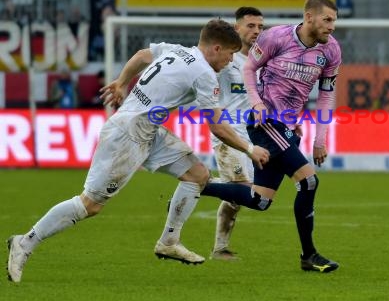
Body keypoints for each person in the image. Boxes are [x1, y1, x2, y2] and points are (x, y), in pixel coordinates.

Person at [6, 19, 270, 283]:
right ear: (215, 48)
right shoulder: (204, 74)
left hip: (150, 129)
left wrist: (122, 82)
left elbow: (142, 55)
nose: (230, 60)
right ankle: (25, 242)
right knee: (90, 205)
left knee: (197, 174)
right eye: (230, 54)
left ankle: (169, 241)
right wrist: (249, 148)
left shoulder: (176, 50)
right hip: (128, 134)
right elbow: (216, 125)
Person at [201, 0, 342, 273]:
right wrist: (257, 103)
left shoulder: (332, 51)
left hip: (288, 126)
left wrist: (320, 138)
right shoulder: (276, 37)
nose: (332, 26)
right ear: (309, 17)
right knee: (308, 181)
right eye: (327, 20)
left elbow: (327, 94)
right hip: (265, 122)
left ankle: (198, 185)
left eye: (334, 21)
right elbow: (249, 68)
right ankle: (309, 256)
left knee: (260, 200)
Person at [208, 7, 264, 261]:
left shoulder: (258, 62)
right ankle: (198, 184)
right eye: (250, 26)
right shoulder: (224, 59)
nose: (256, 31)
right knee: (243, 189)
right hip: (227, 132)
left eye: (260, 27)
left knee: (236, 198)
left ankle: (221, 249)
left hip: (249, 135)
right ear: (236, 27)